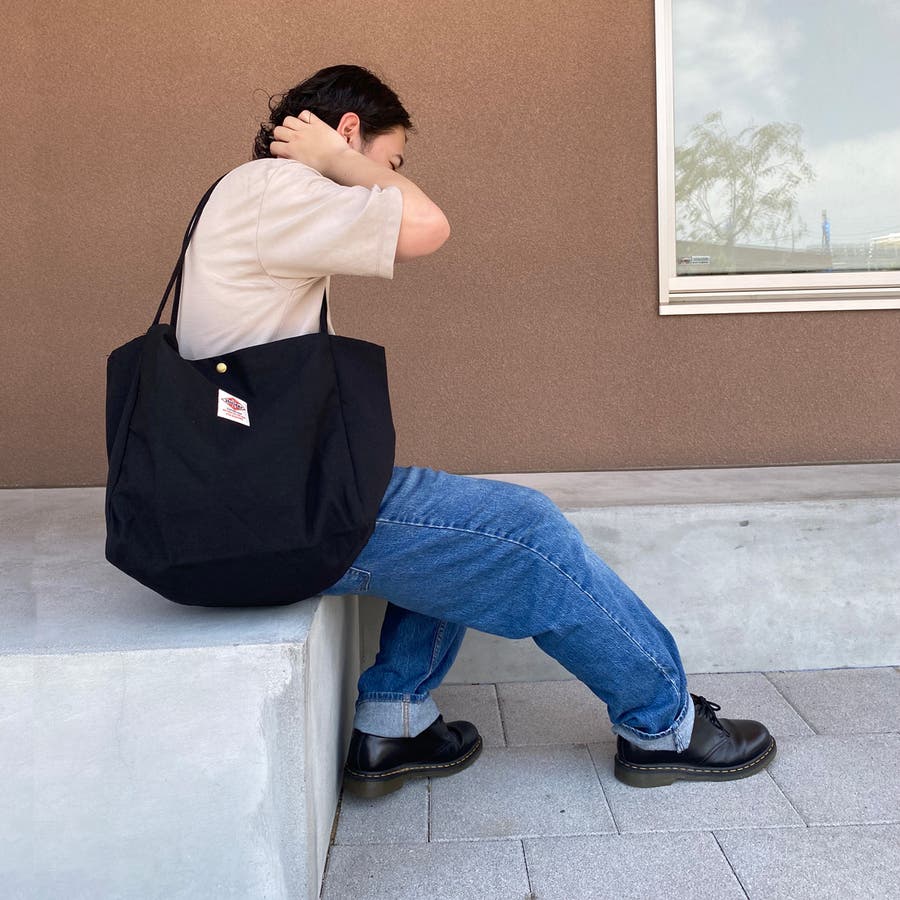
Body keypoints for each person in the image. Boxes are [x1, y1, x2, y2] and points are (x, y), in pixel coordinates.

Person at [178, 64, 775, 798]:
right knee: (527, 527)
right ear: (349, 130)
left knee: (454, 517)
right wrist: (338, 160)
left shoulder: (249, 196)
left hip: (257, 499)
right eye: (392, 161)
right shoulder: (278, 188)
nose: (390, 179)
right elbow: (427, 226)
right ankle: (666, 727)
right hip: (276, 516)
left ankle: (395, 724)